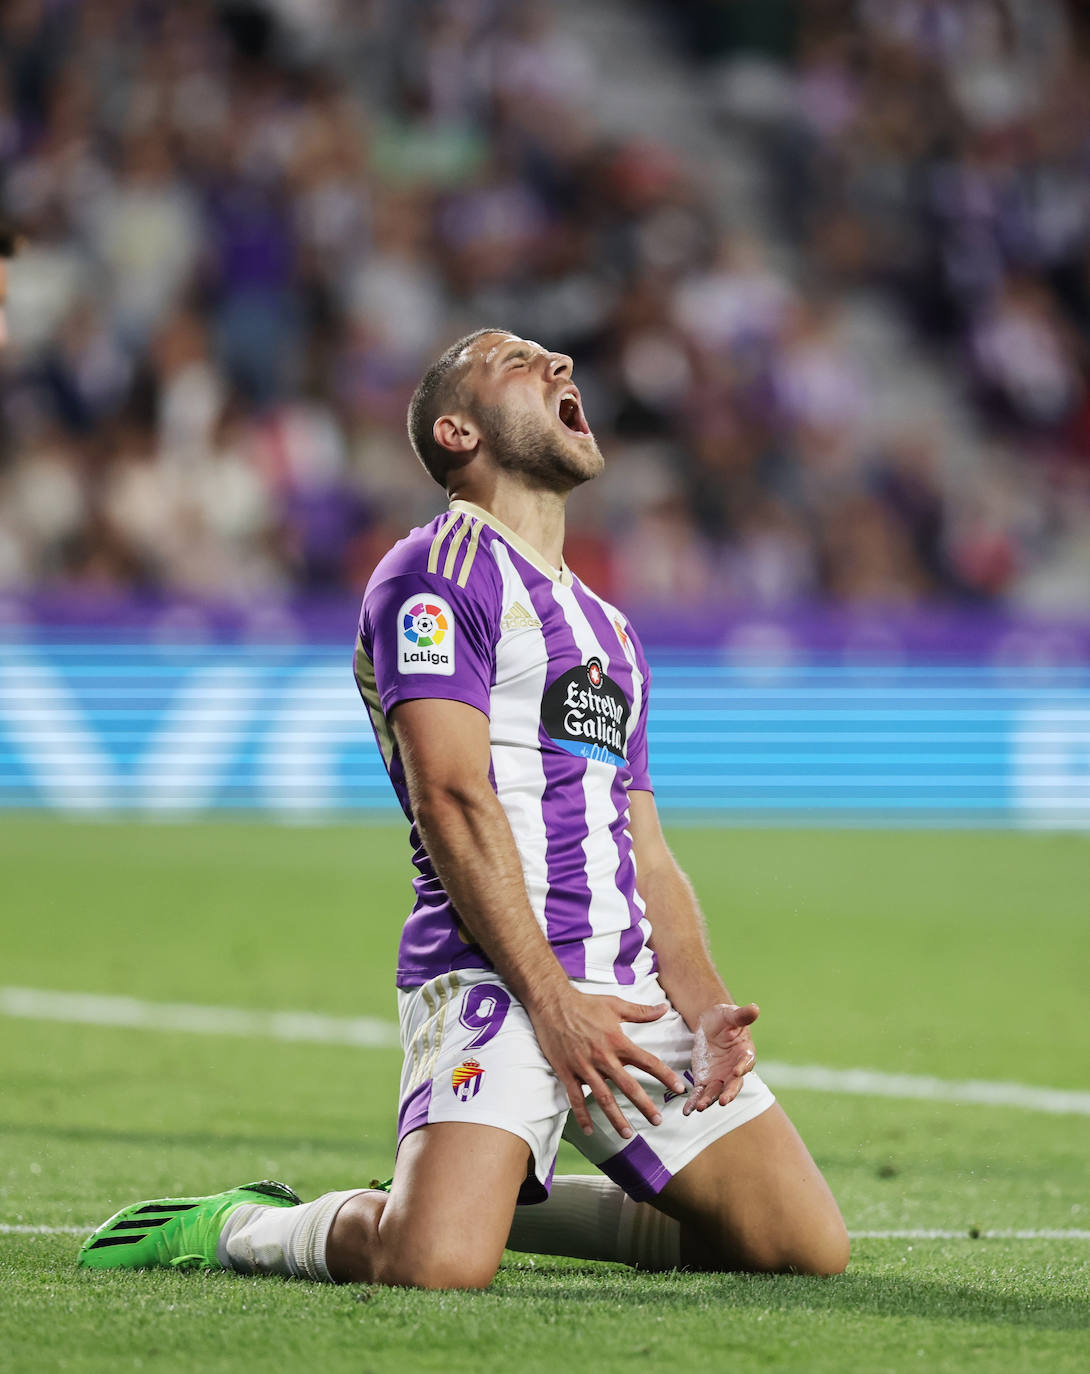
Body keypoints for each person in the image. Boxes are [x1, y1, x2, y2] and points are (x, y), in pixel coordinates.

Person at [79, 329, 849, 1286]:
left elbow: (643, 843)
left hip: (626, 992)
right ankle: (246, 1225)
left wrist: (702, 1007)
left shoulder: (609, 629)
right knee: (435, 1266)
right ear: (457, 431)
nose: (561, 365)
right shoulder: (434, 573)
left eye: (556, 359)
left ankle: (468, 1190)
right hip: (496, 976)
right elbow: (450, 794)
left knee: (801, 1249)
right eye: (517, 362)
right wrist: (552, 1001)